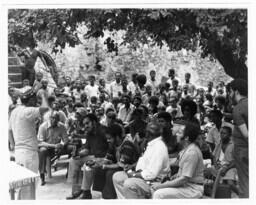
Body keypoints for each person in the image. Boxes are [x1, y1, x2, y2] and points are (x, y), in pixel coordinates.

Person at [112, 121, 170, 199]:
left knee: (129, 184)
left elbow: (151, 174)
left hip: (154, 181)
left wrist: (134, 175)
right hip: (142, 174)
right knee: (117, 177)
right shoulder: (151, 143)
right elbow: (143, 160)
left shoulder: (159, 147)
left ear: (149, 133)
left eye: (146, 131)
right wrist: (131, 166)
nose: (144, 132)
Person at [9, 89, 49, 199]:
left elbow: (9, 131)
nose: (36, 101)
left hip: (19, 152)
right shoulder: (28, 110)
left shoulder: (14, 111)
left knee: (22, 186)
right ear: (30, 100)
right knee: (29, 188)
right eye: (35, 99)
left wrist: (14, 146)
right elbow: (45, 108)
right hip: (29, 153)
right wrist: (43, 95)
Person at [152, 122, 204, 199]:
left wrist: (161, 185)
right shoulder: (186, 149)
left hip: (193, 189)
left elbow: (184, 179)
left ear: (186, 138)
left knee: (158, 194)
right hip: (186, 186)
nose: (176, 134)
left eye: (179, 133)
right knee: (154, 189)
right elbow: (179, 166)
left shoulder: (192, 152)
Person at [66, 113, 108, 199]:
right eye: (84, 124)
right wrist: (78, 153)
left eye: (87, 123)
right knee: (73, 161)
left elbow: (111, 149)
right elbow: (87, 149)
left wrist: (102, 160)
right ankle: (76, 190)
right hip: (93, 156)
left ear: (94, 122)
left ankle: (86, 192)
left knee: (88, 165)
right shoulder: (89, 133)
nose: (85, 126)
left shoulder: (104, 131)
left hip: (104, 158)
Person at [228, 79, 248, 198]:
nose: (230, 95)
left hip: (244, 152)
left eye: (230, 91)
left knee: (245, 185)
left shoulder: (238, 108)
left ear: (235, 91)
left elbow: (246, 135)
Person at [37, 111, 69, 185]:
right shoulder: (43, 127)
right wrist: (54, 146)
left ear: (59, 119)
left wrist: (62, 145)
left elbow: (66, 139)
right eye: (53, 118)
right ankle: (42, 175)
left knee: (71, 148)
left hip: (58, 147)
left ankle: (69, 171)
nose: (54, 120)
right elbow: (40, 143)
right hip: (47, 147)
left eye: (56, 119)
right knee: (42, 151)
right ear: (49, 118)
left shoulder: (61, 126)